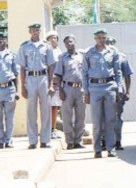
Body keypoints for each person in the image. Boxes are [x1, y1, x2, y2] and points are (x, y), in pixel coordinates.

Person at [82, 28, 122, 158]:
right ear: (95, 39)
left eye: (103, 37)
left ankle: (110, 148)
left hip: (109, 87)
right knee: (97, 121)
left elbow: (118, 72)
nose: (101, 40)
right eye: (99, 37)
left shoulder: (112, 52)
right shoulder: (89, 53)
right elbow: (84, 74)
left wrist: (119, 89)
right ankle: (97, 149)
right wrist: (86, 92)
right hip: (95, 89)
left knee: (110, 119)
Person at [18, 23, 56, 149]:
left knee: (46, 109)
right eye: (33, 30)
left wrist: (51, 84)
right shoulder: (24, 47)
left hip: (43, 78)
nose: (36, 32)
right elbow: (22, 68)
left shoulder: (46, 46)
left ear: (40, 31)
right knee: (31, 110)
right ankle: (33, 141)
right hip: (30, 79)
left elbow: (51, 66)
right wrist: (22, 86)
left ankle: (45, 140)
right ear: (30, 31)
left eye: (38, 30)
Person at [54, 35, 86, 150]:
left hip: (81, 89)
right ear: (65, 44)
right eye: (67, 42)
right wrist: (60, 91)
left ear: (75, 42)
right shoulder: (62, 58)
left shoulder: (82, 56)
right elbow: (57, 75)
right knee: (67, 117)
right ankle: (69, 141)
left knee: (80, 116)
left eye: (71, 42)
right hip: (67, 89)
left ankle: (78, 141)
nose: (69, 44)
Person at [106, 36, 133, 150]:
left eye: (112, 42)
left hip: (118, 91)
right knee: (104, 116)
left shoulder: (122, 58)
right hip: (105, 89)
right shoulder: (101, 56)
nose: (110, 44)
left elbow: (127, 75)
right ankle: (104, 141)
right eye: (108, 42)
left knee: (117, 116)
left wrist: (128, 92)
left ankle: (117, 141)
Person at [46, 31, 63, 139]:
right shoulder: (46, 51)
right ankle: (47, 129)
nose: (53, 40)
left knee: (55, 107)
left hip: (57, 83)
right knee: (47, 107)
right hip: (46, 82)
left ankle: (52, 129)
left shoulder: (59, 52)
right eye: (51, 38)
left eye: (55, 38)